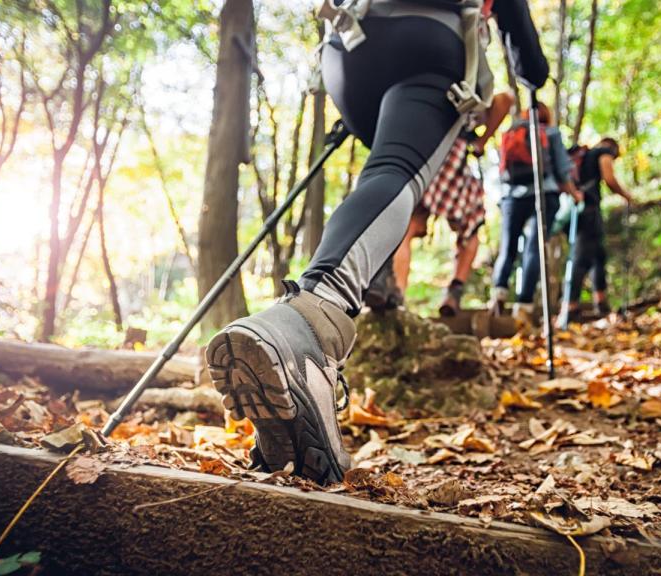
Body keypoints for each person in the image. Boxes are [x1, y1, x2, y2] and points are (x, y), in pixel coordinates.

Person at [205, 0, 549, 485]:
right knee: (396, 173)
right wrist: (533, 75)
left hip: (345, 52)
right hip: (430, 47)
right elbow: (527, 59)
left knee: (383, 173)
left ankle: (353, 313)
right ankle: (312, 325)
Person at [384, 92, 515, 316]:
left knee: (407, 228)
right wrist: (481, 141)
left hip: (421, 156)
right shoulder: (468, 89)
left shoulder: (423, 93)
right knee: (470, 228)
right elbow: (507, 99)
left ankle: (398, 295)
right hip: (453, 158)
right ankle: (454, 291)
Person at [489, 103, 581, 326]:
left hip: (512, 196)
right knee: (534, 247)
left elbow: (500, 172)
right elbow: (562, 168)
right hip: (544, 194)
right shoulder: (551, 133)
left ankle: (498, 294)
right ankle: (523, 305)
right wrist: (574, 193)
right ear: (546, 116)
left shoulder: (511, 133)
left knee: (508, 247)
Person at [564, 137, 633, 318]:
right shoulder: (603, 152)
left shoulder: (583, 155)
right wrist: (626, 196)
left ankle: (601, 302)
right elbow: (609, 178)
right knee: (581, 257)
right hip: (588, 209)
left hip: (575, 210)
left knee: (597, 255)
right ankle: (570, 307)